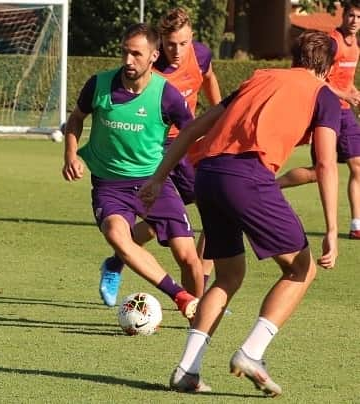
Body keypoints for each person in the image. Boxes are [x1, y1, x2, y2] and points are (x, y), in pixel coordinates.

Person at [139, 30, 340, 396]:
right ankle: (252, 352)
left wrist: (159, 177)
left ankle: (188, 369)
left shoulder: (261, 77)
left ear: (295, 58)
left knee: (228, 275)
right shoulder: (322, 93)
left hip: (209, 176)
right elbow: (325, 163)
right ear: (328, 67)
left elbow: (196, 126)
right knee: (301, 268)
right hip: (247, 177)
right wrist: (331, 228)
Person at [62, 23, 203, 321]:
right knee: (117, 234)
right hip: (109, 185)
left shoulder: (167, 95)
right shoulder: (99, 85)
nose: (128, 60)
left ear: (154, 56)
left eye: (136, 54)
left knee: (189, 258)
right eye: (125, 52)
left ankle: (198, 317)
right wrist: (71, 155)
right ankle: (180, 296)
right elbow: (75, 119)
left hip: (153, 182)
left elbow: (191, 132)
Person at [99, 7, 222, 307]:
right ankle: (197, 296)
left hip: (188, 146)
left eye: (183, 43)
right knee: (170, 217)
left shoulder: (201, 54)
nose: (177, 51)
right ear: (159, 46)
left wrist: (220, 116)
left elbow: (208, 77)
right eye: (170, 44)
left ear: (192, 37)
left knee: (211, 209)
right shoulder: (149, 69)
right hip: (154, 152)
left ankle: (119, 261)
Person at [277, 0, 360, 240]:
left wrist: (352, 92)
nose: (354, 21)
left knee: (357, 166)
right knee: (319, 172)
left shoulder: (355, 46)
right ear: (343, 17)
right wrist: (343, 94)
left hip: (345, 112)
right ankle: (275, 185)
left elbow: (345, 79)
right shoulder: (332, 43)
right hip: (327, 109)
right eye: (351, 16)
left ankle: (356, 225)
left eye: (358, 17)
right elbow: (316, 79)